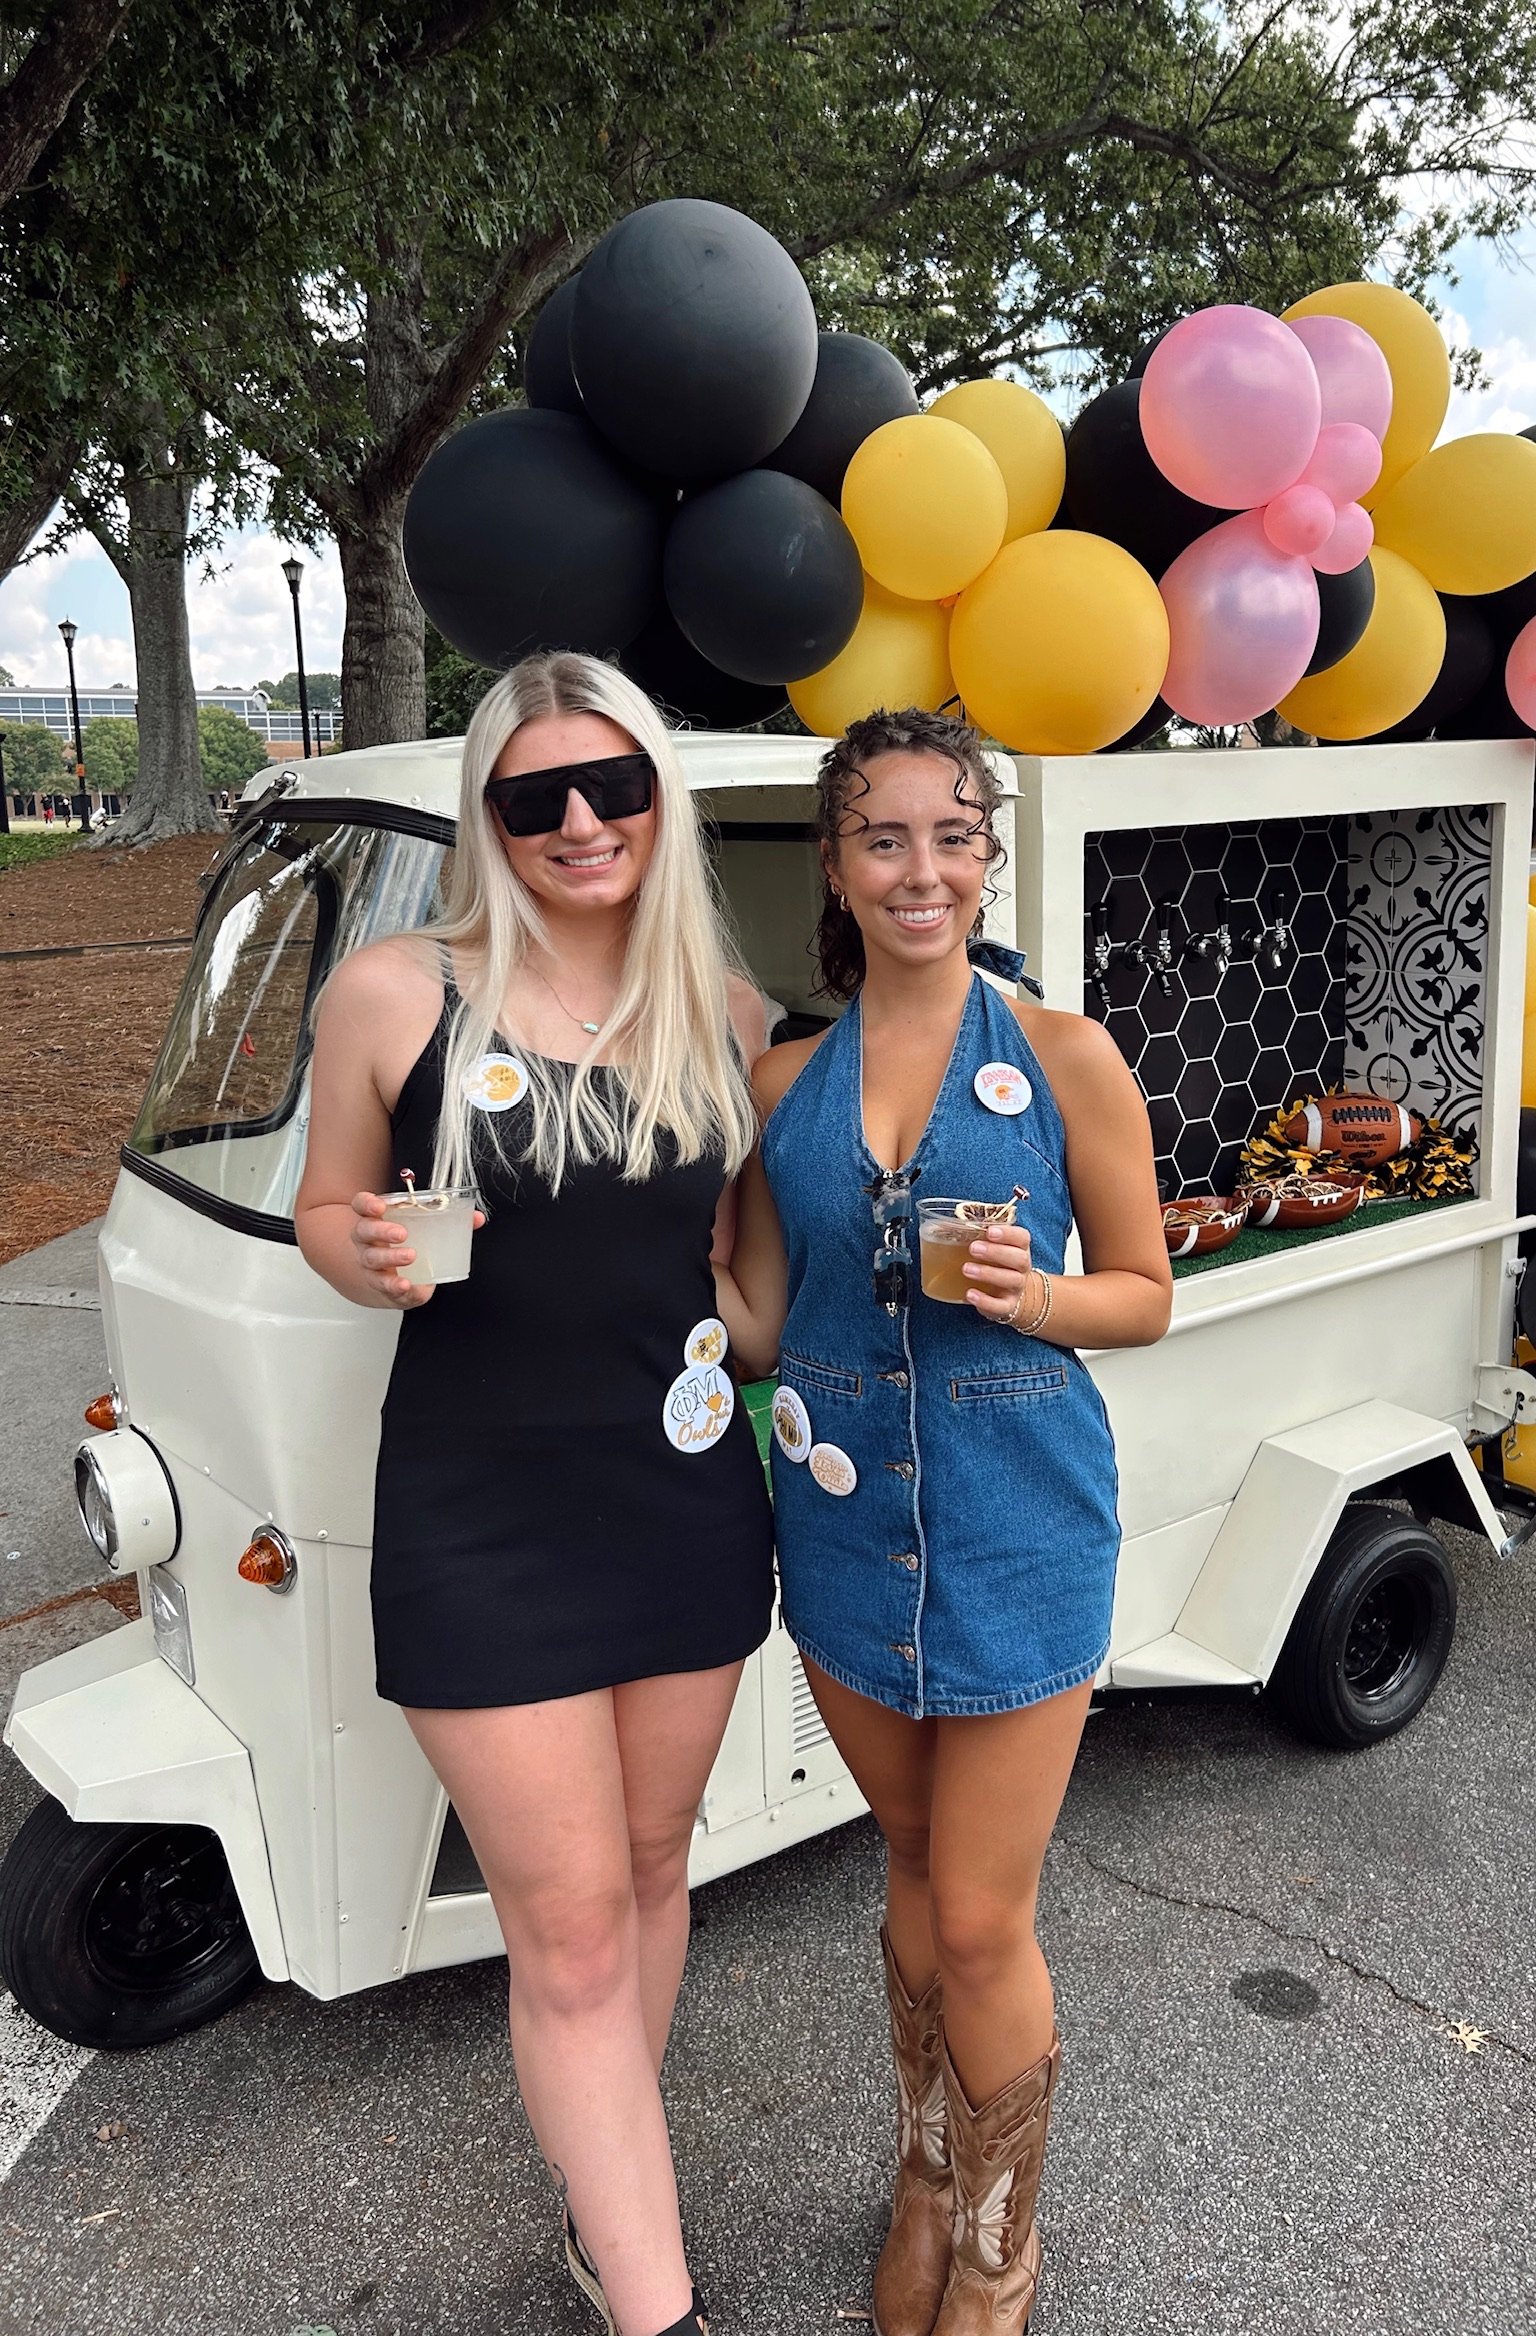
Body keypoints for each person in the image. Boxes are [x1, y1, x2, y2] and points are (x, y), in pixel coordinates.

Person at [295, 651, 775, 2336]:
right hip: (479, 1514)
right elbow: (331, 1222)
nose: (581, 821)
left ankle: (601, 2196)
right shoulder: (393, 994)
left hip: (683, 1501)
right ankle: (657, 2303)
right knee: (567, 1933)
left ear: (661, 796)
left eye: (615, 785)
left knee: (652, 1874)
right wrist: (363, 1261)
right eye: (535, 797)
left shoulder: (723, 1009)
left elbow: (729, 1273)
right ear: (487, 819)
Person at [717, 707, 1171, 2336]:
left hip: (1019, 1519)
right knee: (907, 1866)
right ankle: (923, 2172)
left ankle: (998, 2249)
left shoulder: (1064, 1058)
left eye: (950, 834)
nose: (920, 867)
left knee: (982, 1914)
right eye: (883, 836)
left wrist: (1039, 1293)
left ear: (987, 855)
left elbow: (1149, 1294)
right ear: (836, 865)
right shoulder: (779, 1078)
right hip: (839, 1524)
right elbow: (766, 1319)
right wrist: (661, 1277)